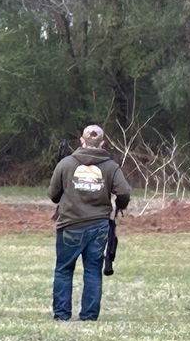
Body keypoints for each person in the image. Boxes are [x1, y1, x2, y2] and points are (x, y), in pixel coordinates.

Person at [48, 124, 131, 322]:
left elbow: (53, 195)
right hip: (99, 225)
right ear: (102, 143)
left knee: (64, 269)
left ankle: (61, 315)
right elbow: (124, 192)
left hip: (70, 224)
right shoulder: (111, 167)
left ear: (82, 141)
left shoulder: (66, 164)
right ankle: (89, 316)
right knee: (93, 269)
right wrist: (119, 205)